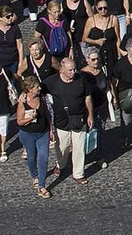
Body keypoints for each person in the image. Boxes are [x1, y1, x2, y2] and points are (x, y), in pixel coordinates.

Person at [43, 55, 95, 184]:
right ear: (62, 70)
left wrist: (90, 115)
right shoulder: (52, 81)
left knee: (79, 148)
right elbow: (38, 90)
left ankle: (78, 173)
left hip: (79, 118)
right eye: (70, 70)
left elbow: (87, 97)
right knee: (63, 148)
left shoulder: (81, 80)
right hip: (61, 120)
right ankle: (60, 165)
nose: (73, 72)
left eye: (74, 69)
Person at [14, 75, 53, 198]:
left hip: (43, 133)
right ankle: (34, 175)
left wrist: (51, 130)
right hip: (28, 134)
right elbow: (19, 122)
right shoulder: (23, 102)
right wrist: (30, 118)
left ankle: (41, 186)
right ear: (29, 89)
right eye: (36, 87)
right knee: (31, 158)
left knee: (44, 158)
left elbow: (48, 115)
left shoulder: (42, 98)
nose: (39, 88)